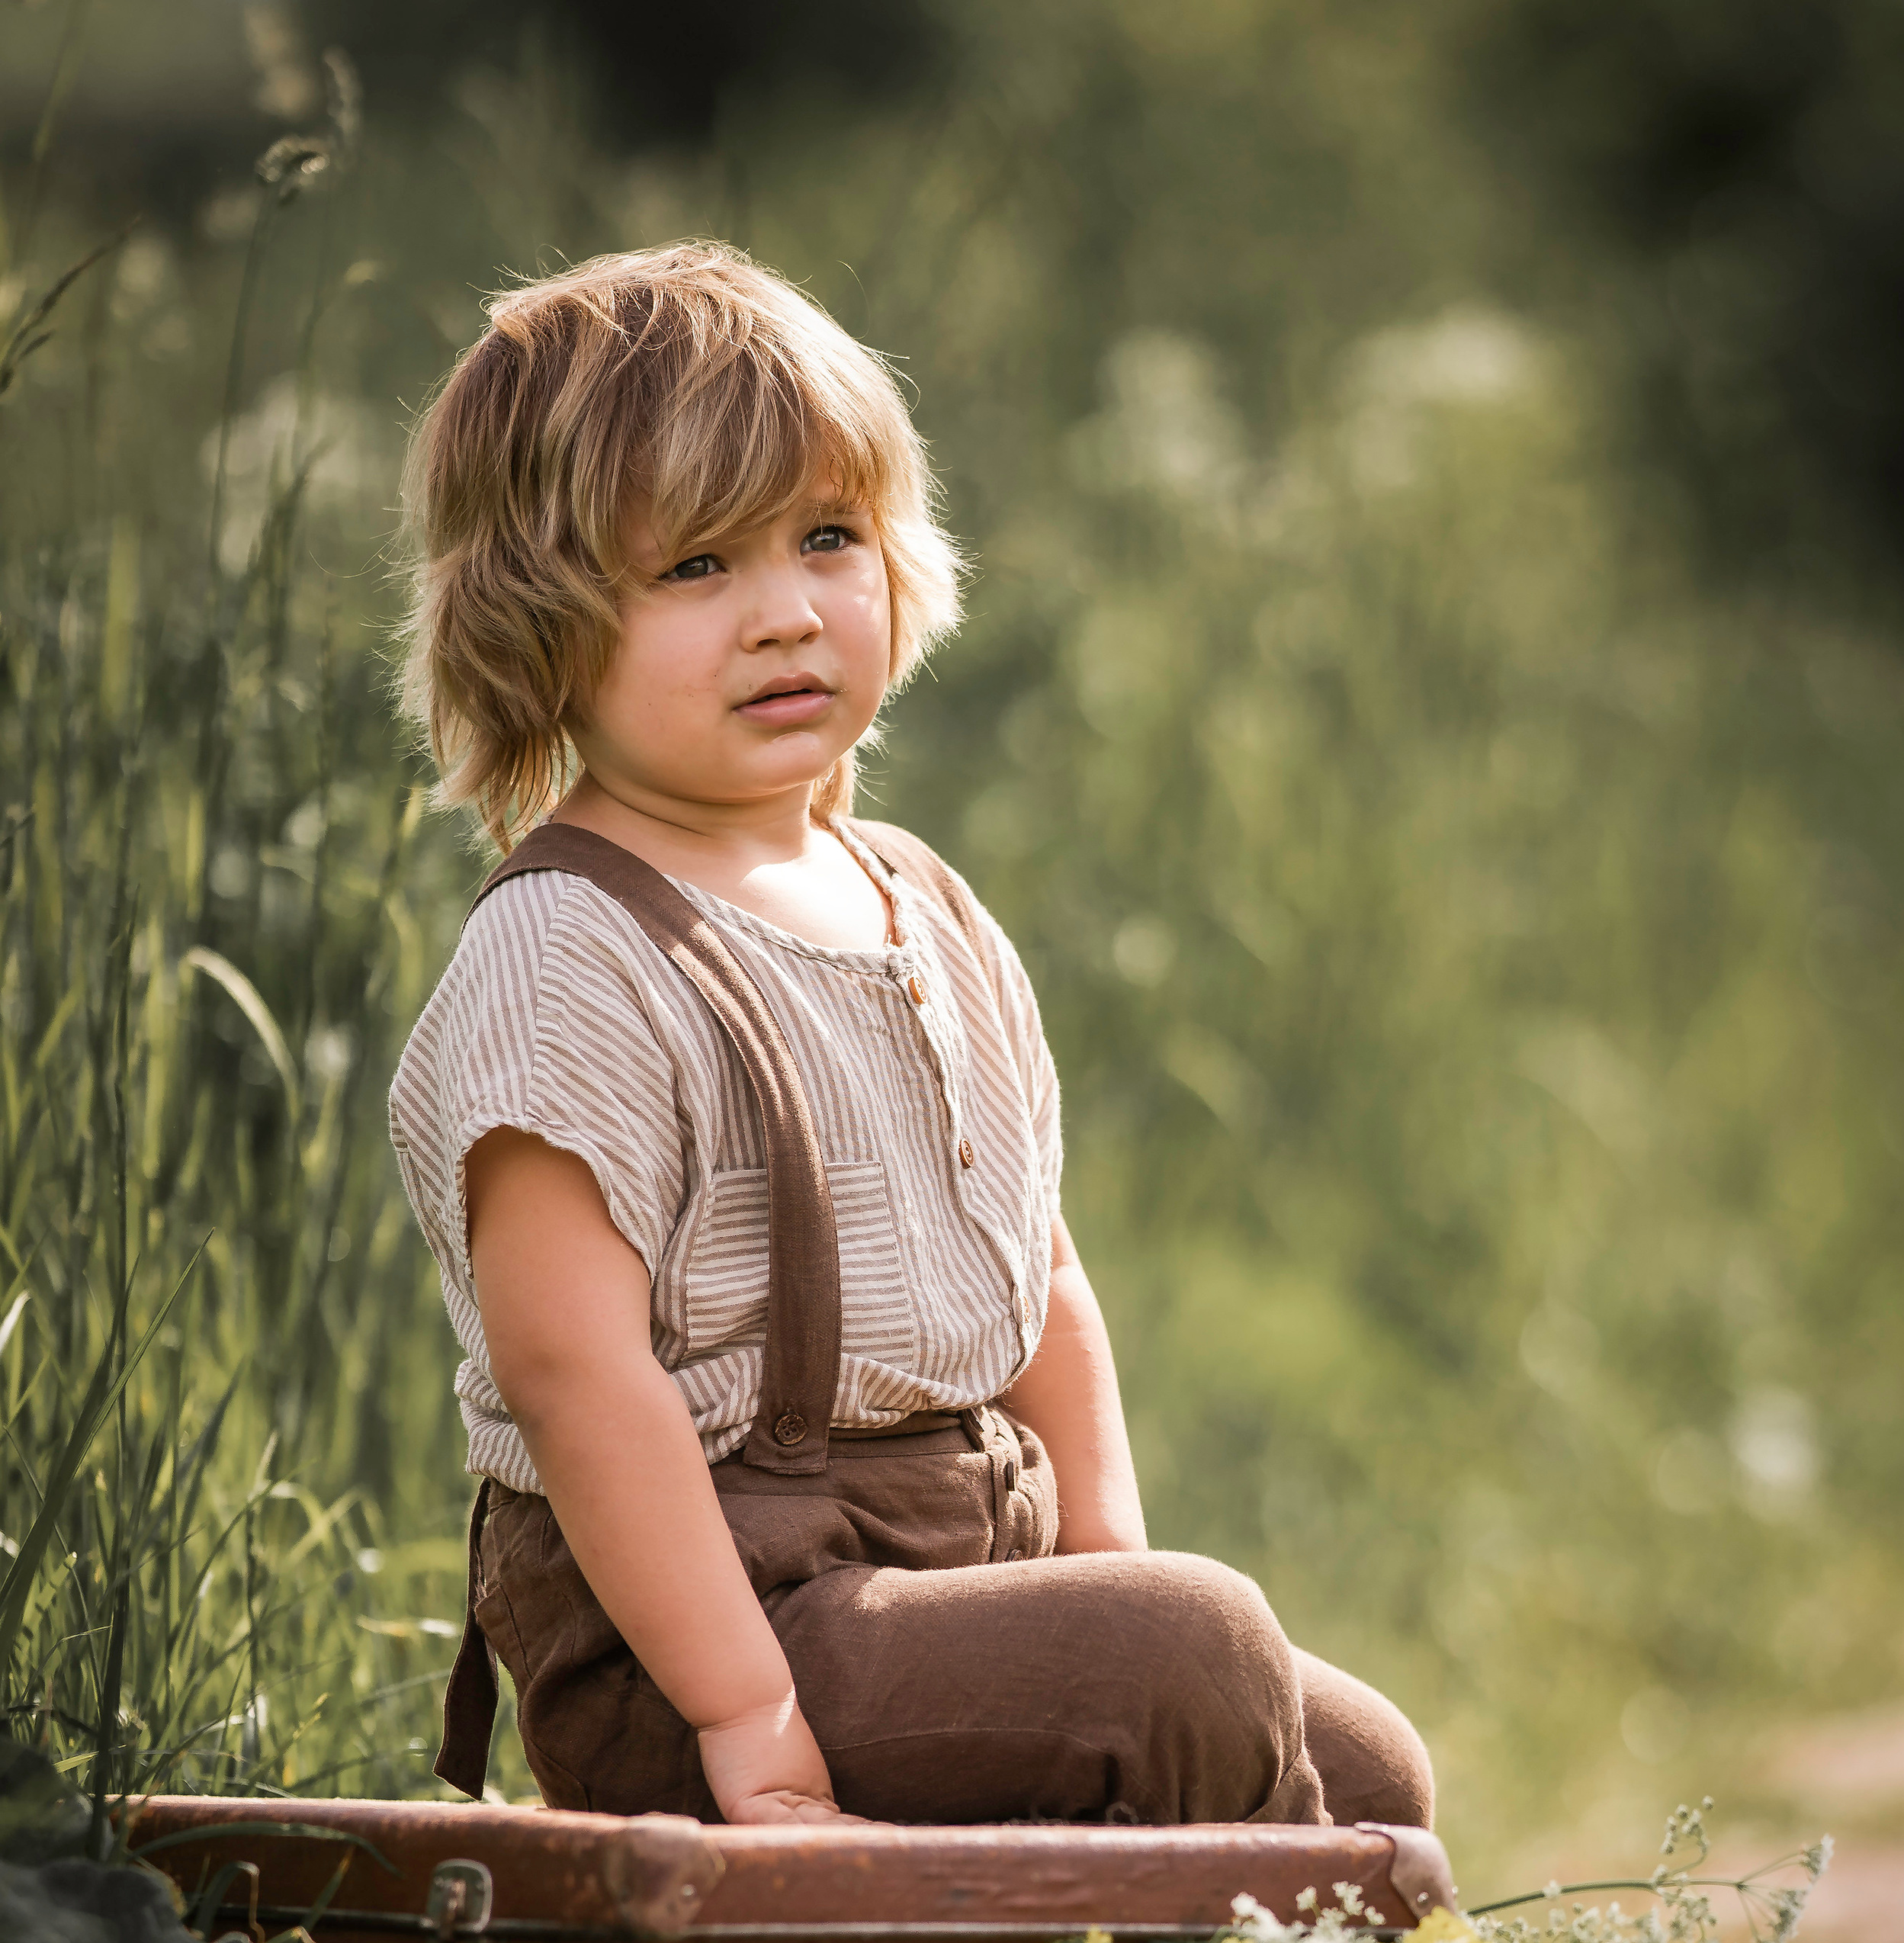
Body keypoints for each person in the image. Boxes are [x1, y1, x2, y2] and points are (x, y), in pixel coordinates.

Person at [389, 242, 1434, 1837]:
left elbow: (1039, 1283)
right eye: (695, 569)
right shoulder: (571, 953)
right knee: (1197, 1666)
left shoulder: (915, 904)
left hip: (951, 1562)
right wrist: (744, 1717)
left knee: (1357, 1761)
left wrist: (1101, 1572)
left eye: (825, 539)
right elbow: (571, 1374)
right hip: (714, 1632)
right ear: (535, 618)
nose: (784, 615)